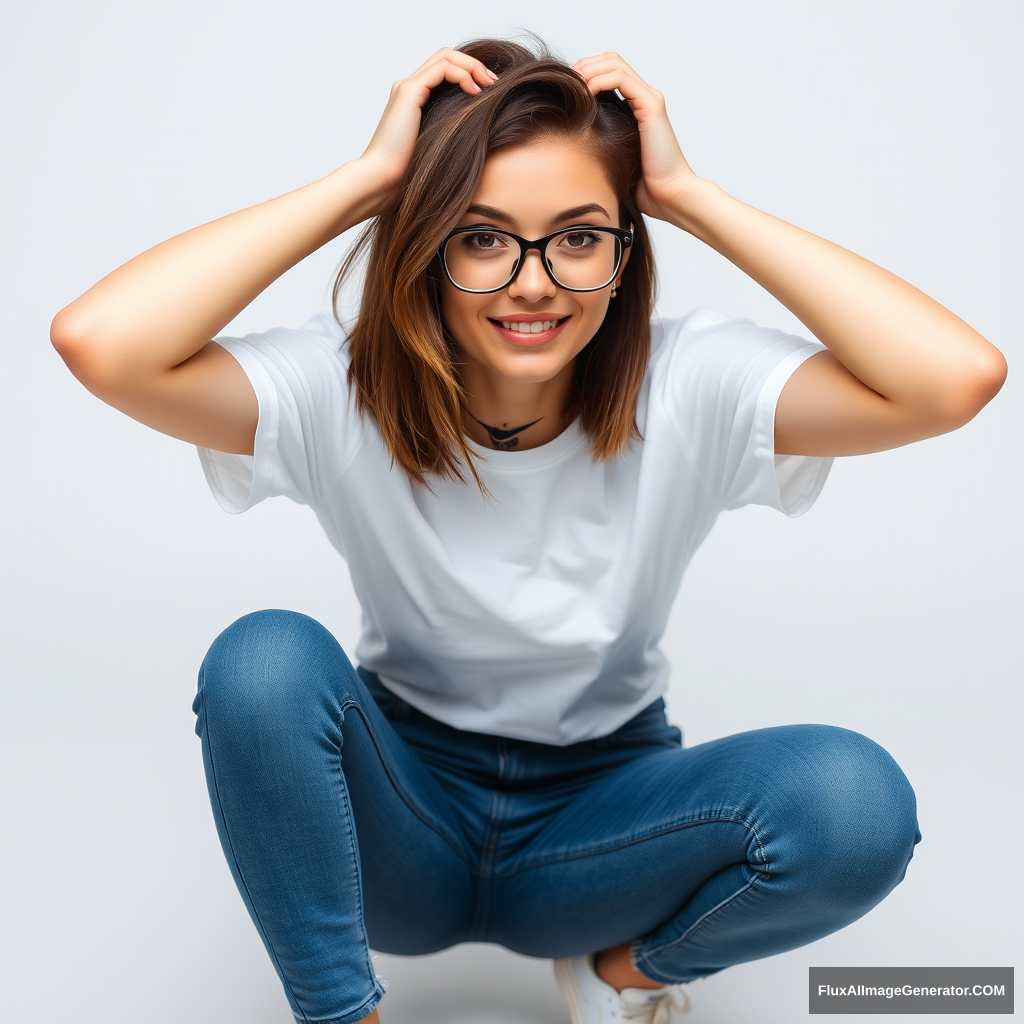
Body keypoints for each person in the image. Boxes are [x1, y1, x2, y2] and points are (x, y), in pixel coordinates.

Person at [51, 36, 1005, 1024]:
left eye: (580, 236)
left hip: (602, 826)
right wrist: (366, 180)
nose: (535, 280)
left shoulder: (689, 383)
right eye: (481, 236)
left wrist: (689, 195)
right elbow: (102, 343)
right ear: (423, 244)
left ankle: (621, 973)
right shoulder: (344, 386)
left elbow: (952, 378)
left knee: (853, 805)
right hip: (406, 812)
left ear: (625, 250)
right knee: (260, 663)